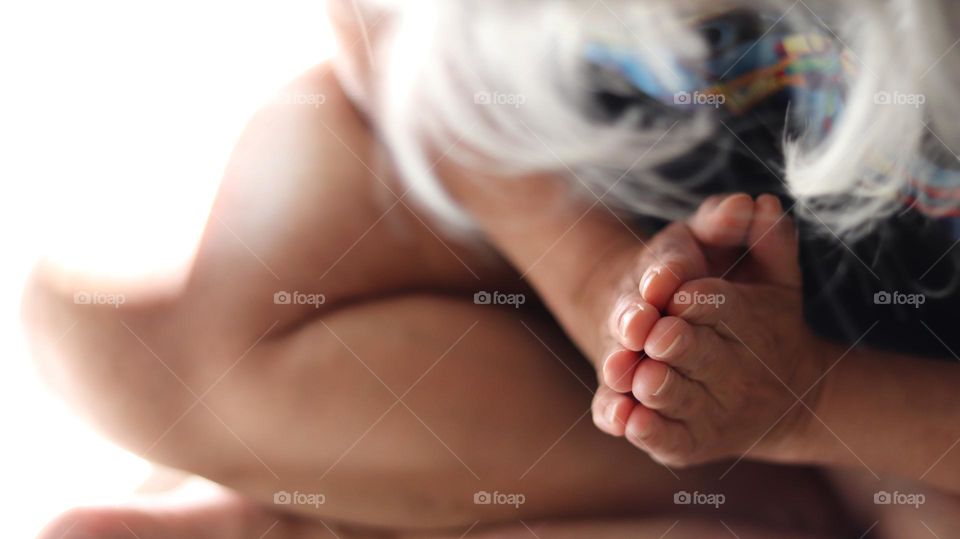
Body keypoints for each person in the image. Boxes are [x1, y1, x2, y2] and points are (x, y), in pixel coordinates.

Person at [25, 1, 960, 537]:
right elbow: (387, 33)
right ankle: (738, 491)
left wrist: (811, 404)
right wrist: (599, 285)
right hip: (565, 215)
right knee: (101, 317)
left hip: (902, 405)